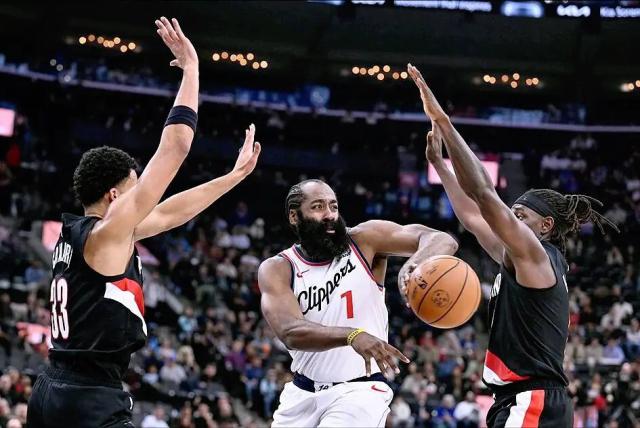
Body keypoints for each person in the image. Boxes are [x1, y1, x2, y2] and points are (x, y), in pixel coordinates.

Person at [26, 17, 261, 427]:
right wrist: (192, 70)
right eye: (136, 190)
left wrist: (232, 177)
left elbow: (170, 212)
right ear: (115, 197)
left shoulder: (92, 236)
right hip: (89, 399)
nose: (144, 198)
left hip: (54, 390)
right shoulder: (108, 233)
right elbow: (176, 147)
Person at [406, 64, 618, 428]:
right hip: (521, 400)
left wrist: (443, 121)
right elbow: (472, 216)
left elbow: (483, 193)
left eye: (520, 216)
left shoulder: (537, 256)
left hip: (531, 400)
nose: (511, 221)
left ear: (546, 225)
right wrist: (439, 165)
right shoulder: (518, 259)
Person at [258, 179, 458, 427]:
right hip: (302, 393)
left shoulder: (365, 240)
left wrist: (414, 264)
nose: (329, 215)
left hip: (360, 391)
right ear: (294, 216)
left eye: (333, 206)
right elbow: (290, 332)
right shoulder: (279, 268)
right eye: (318, 207)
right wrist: (352, 335)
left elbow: (442, 239)